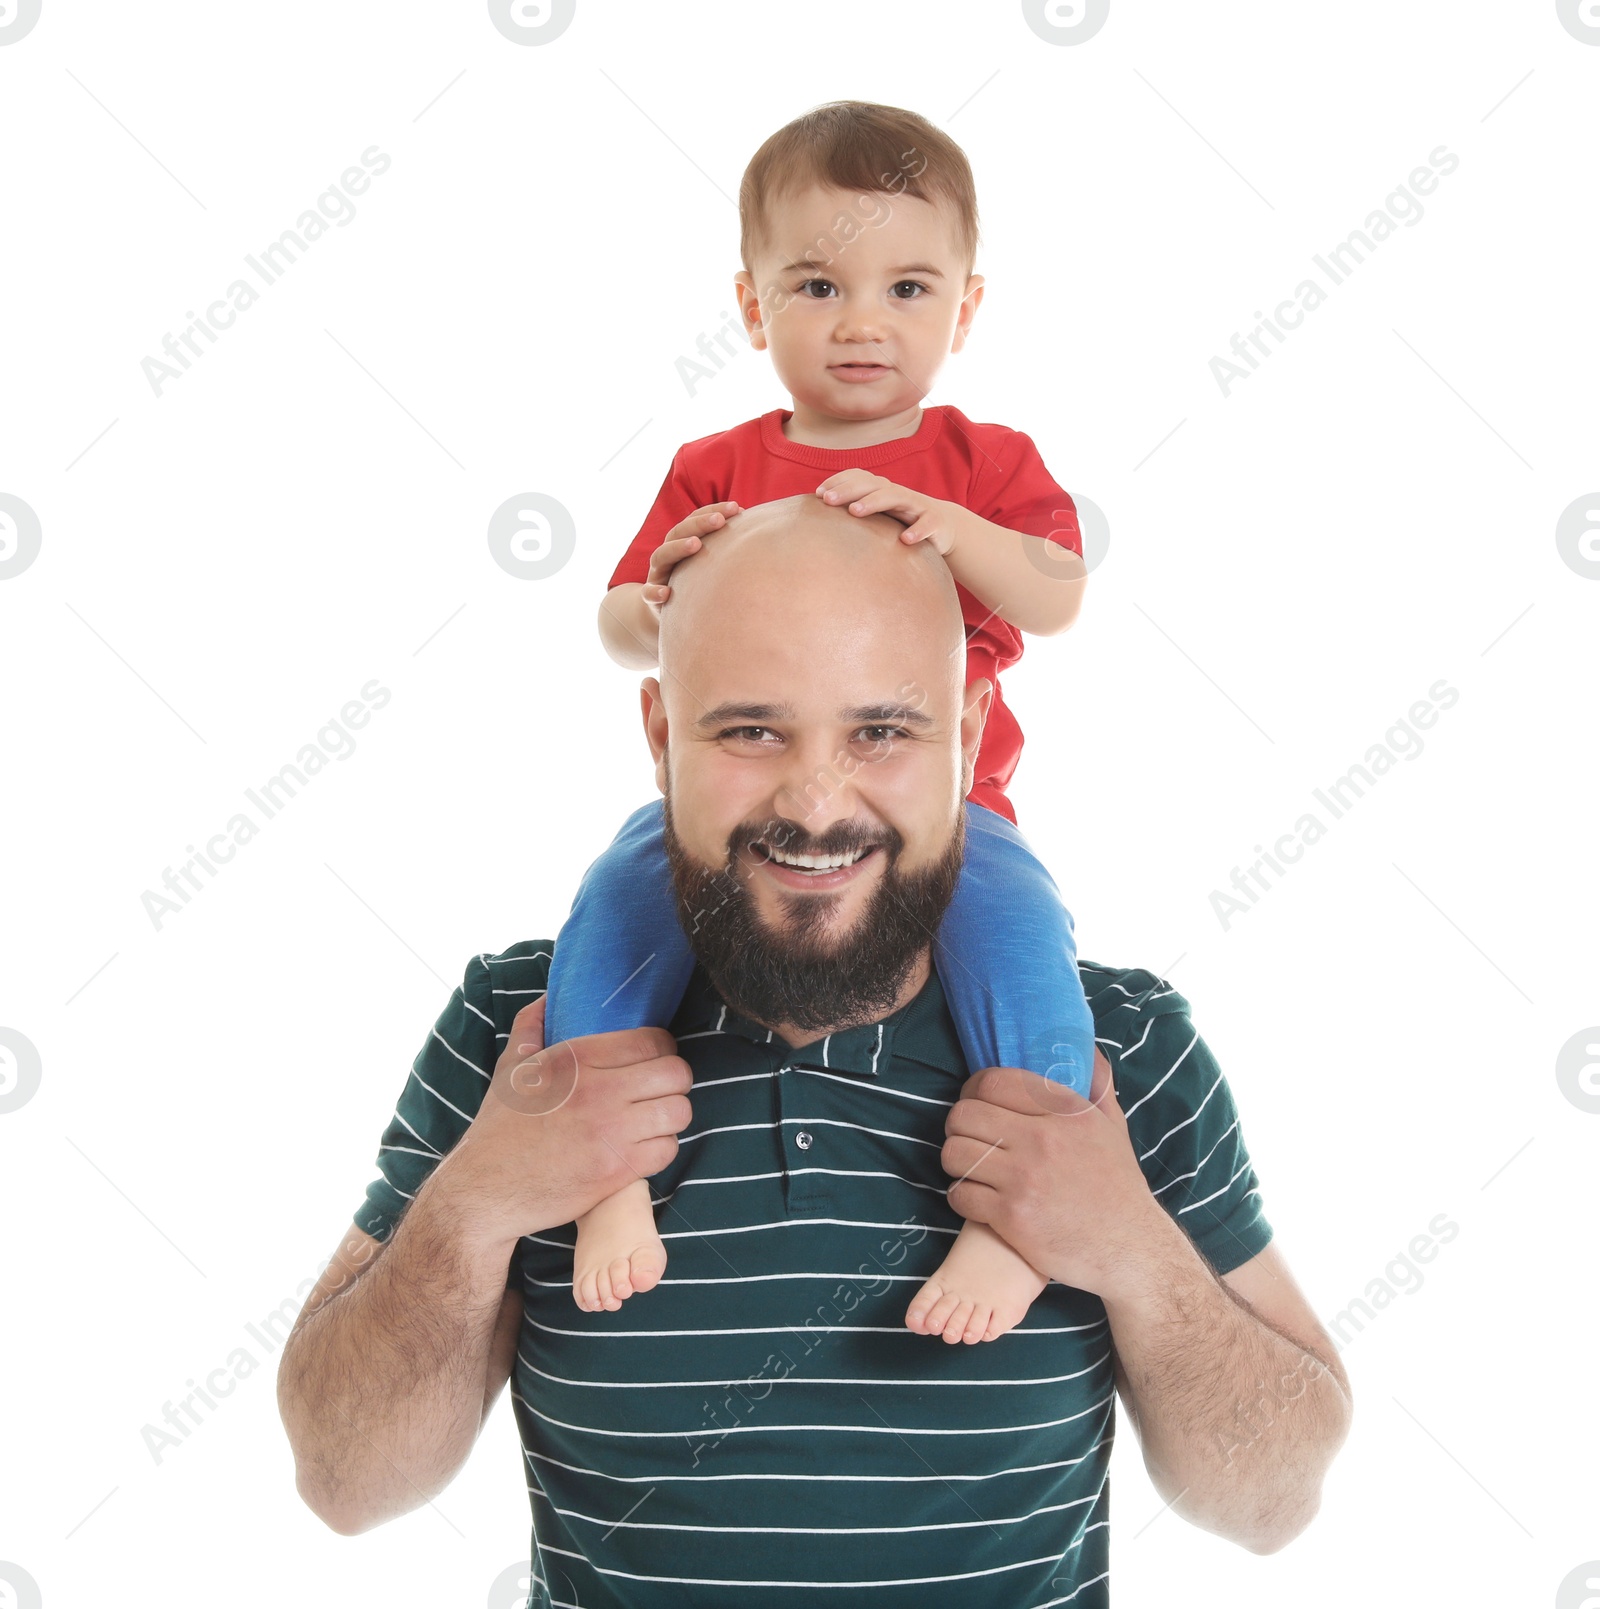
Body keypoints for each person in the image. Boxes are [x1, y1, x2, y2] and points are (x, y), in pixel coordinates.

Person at [277, 498, 1352, 1608]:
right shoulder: (526, 1034)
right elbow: (347, 1483)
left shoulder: (1115, 1047)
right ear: (658, 735)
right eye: (751, 730)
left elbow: (1272, 1505)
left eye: (881, 731)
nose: (817, 801)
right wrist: (475, 1202)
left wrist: (1131, 1249)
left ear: (971, 737)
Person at [554, 98, 1096, 1345]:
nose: (861, 322)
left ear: (964, 310)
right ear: (751, 306)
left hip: (950, 818)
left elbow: (1058, 597)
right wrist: (658, 589)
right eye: (815, 284)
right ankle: (606, 1178)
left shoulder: (979, 461)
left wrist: (951, 532)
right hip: (726, 815)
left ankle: (1017, 1221)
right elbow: (620, 631)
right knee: (609, 919)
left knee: (1024, 958)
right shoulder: (719, 468)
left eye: (907, 287)